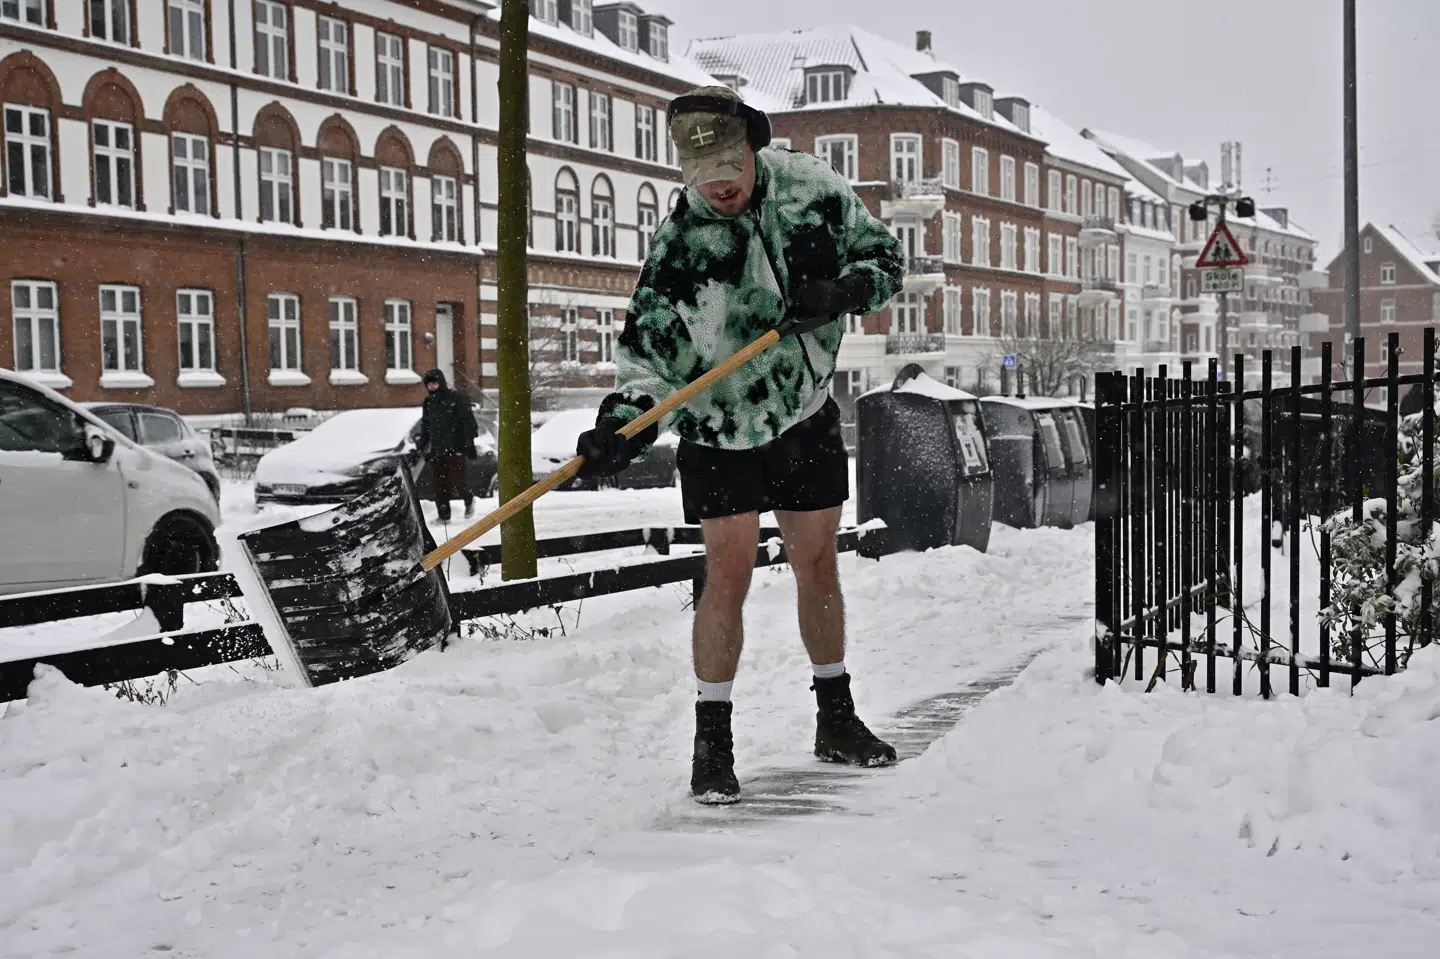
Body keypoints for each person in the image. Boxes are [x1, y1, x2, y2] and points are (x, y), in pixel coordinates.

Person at [575, 85, 907, 804]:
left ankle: (836, 716)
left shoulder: (813, 189)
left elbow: (886, 259)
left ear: (753, 148)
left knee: (817, 562)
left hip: (805, 408)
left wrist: (844, 289)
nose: (720, 189)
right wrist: (621, 427)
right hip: (719, 426)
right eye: (702, 179)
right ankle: (712, 742)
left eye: (731, 170)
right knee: (727, 572)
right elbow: (648, 362)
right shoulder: (679, 247)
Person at [419, 368, 479, 522]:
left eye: (434, 383)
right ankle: (443, 516)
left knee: (458, 480)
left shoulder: (456, 398)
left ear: (441, 382)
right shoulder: (429, 403)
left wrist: (468, 444)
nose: (431, 387)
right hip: (438, 449)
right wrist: (422, 445)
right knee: (440, 485)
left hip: (456, 447)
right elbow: (426, 426)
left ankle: (469, 500)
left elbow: (468, 422)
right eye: (429, 384)